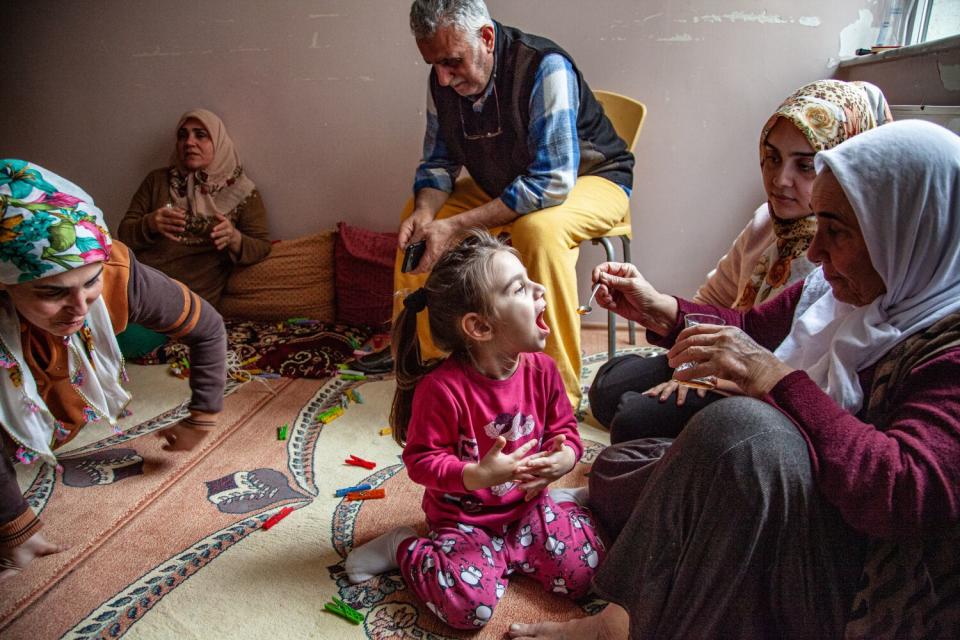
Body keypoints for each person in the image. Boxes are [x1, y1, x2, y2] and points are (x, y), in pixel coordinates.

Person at [508, 120, 960, 639]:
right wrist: (662, 312)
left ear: (908, 229)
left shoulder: (947, 346)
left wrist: (775, 380)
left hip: (866, 576)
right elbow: (753, 329)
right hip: (816, 498)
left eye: (836, 232)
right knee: (621, 465)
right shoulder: (841, 288)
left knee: (740, 436)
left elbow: (903, 495)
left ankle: (623, 623)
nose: (815, 253)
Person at [589, 79, 892, 443]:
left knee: (633, 418)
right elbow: (725, 307)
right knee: (609, 383)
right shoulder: (768, 222)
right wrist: (658, 313)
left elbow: (796, 366)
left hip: (767, 388)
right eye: (773, 158)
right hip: (730, 355)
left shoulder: (845, 258)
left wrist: (704, 377)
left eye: (806, 166)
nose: (781, 180)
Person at [345, 231, 605, 630]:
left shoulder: (544, 370)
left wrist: (564, 457)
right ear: (480, 327)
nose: (538, 289)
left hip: (528, 507)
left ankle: (562, 506)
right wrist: (477, 475)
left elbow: (564, 430)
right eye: (519, 288)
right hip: (465, 522)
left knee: (589, 574)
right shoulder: (442, 389)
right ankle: (402, 547)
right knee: (469, 610)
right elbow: (421, 461)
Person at [392, 0, 635, 409]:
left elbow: (552, 181)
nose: (443, 78)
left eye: (452, 62)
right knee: (416, 221)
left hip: (592, 179)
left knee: (537, 231)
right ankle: (432, 369)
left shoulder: (544, 65)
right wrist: (425, 214)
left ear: (486, 38)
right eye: (433, 64)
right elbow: (438, 164)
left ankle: (556, 393)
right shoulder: (443, 79)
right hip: (509, 184)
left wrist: (454, 228)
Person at [0, 159, 227, 583]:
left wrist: (203, 416)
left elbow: (208, 328)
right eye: (53, 293)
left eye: (90, 283)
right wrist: (14, 523)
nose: (80, 308)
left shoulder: (120, 274)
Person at [117, 108, 271, 310]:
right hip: (137, 287)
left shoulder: (241, 191)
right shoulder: (157, 181)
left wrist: (233, 238)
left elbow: (262, 245)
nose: (189, 142)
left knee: (117, 337)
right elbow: (124, 234)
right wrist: (151, 223)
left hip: (185, 304)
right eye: (183, 136)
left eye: (201, 135)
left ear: (218, 142)